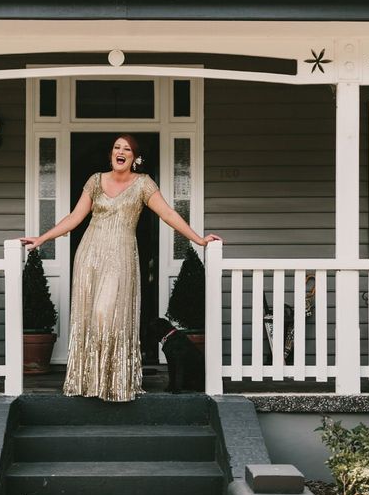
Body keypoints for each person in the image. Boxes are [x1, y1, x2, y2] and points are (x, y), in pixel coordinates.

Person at [21, 134, 221, 402]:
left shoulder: (143, 184)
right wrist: (42, 238)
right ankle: (89, 381)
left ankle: (114, 382)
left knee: (106, 314)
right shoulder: (95, 181)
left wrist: (199, 239)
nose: (120, 151)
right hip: (90, 254)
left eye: (127, 149)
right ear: (111, 154)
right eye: (117, 147)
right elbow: (74, 217)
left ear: (133, 157)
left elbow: (169, 214)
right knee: (90, 317)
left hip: (121, 256)